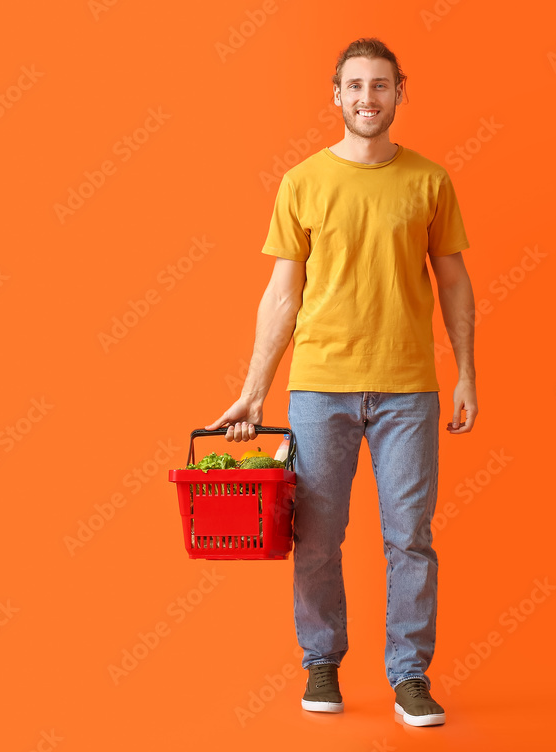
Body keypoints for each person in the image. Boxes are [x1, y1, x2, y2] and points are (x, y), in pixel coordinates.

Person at [207, 37, 477, 727]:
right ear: (335, 94)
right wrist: (254, 389)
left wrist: (466, 374)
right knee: (318, 536)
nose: (367, 96)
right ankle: (321, 662)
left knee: (410, 537)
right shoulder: (302, 182)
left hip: (408, 390)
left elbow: (453, 281)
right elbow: (281, 294)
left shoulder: (429, 181)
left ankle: (410, 677)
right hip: (319, 388)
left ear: (399, 93)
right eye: (355, 85)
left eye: (380, 85)